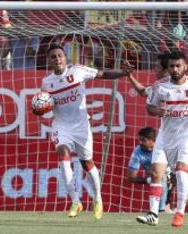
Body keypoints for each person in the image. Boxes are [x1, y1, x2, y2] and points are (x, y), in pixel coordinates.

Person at [36, 43, 133, 219]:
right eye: (53, 57)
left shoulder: (78, 71)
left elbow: (103, 74)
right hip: (61, 125)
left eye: (60, 55)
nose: (57, 59)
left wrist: (123, 72)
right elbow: (44, 105)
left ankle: (98, 199)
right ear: (48, 61)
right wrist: (39, 109)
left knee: (87, 164)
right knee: (63, 157)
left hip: (81, 125)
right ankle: (75, 201)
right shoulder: (46, 83)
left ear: (65, 58)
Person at [131, 52, 188, 226]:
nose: (175, 69)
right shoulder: (160, 86)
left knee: (181, 171)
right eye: (172, 66)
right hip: (166, 136)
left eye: (178, 66)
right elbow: (149, 106)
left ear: (185, 66)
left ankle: (180, 212)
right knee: (159, 173)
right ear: (168, 68)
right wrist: (158, 111)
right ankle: (157, 214)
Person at [127, 127, 174, 213]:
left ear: (152, 140)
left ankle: (166, 210)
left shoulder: (164, 148)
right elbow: (131, 177)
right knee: (161, 180)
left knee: (167, 178)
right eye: (139, 140)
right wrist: (149, 180)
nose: (140, 142)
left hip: (173, 172)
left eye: (143, 140)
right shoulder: (137, 152)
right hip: (160, 178)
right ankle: (164, 210)